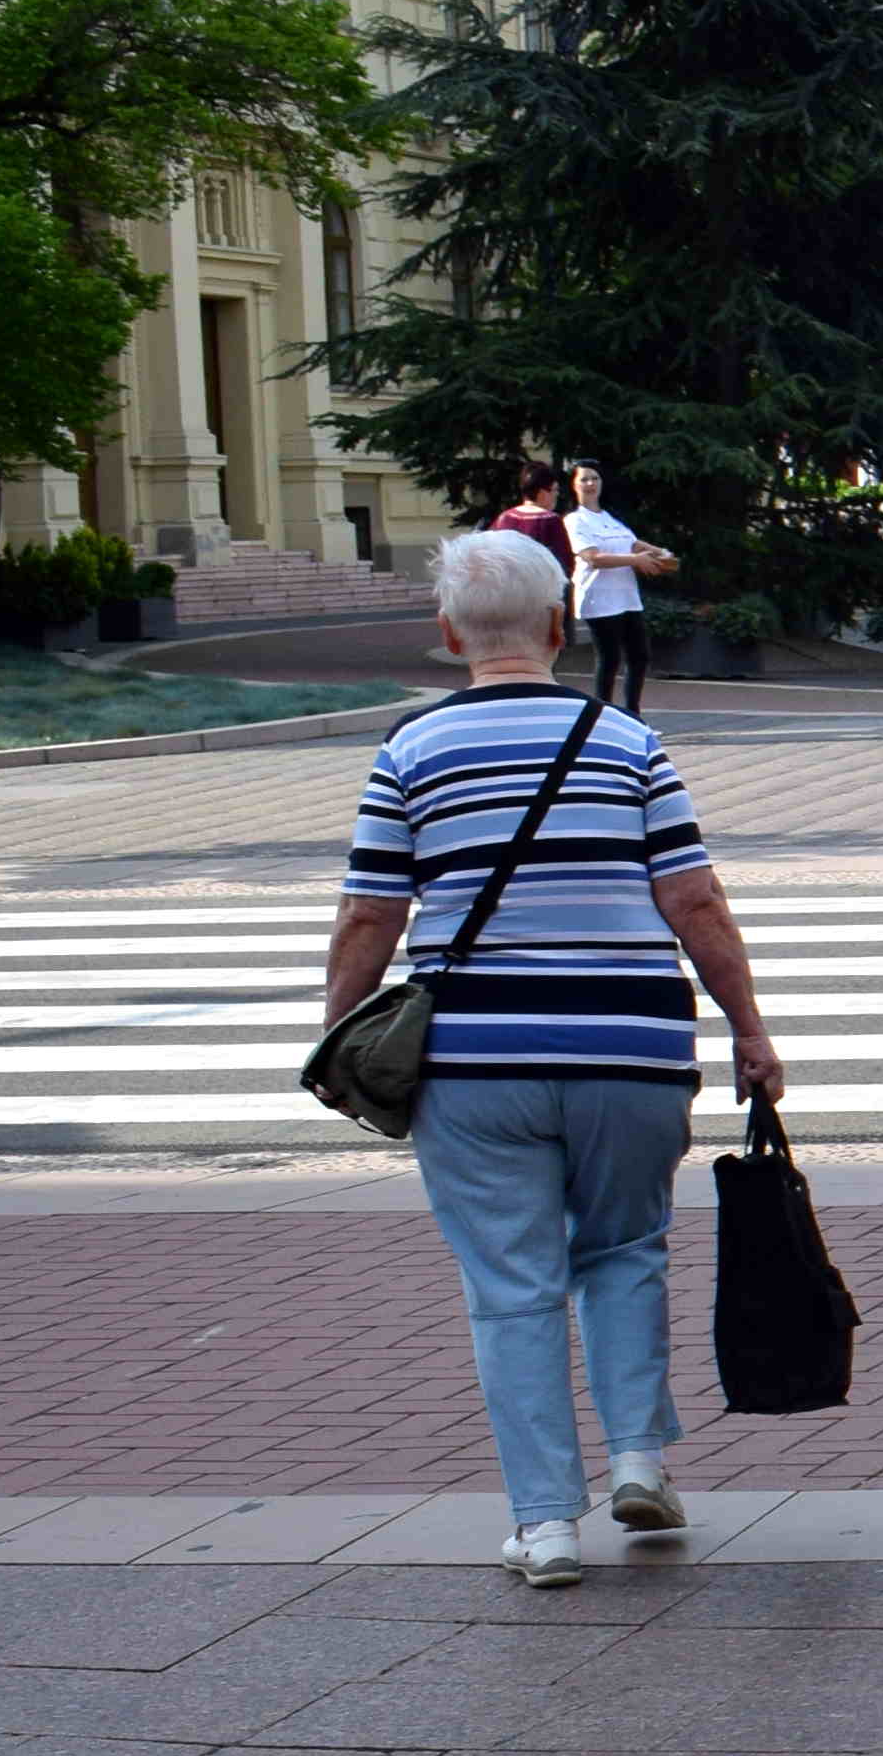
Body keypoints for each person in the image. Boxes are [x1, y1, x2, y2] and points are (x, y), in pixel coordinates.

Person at [321, 528, 785, 1591]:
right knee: (625, 1248)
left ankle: (546, 1525)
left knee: (511, 1285)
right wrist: (749, 1027)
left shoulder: (409, 751)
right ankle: (638, 1461)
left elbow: (368, 913)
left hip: (473, 1057)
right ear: (559, 624)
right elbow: (694, 898)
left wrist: (338, 1032)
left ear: (447, 633)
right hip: (631, 1045)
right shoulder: (626, 740)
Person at [561, 463, 670, 713]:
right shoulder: (575, 520)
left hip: (626, 596)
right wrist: (636, 561)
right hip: (599, 599)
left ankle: (633, 715)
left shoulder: (609, 518)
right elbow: (593, 557)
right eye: (584, 479)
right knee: (609, 660)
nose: (591, 484)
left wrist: (660, 553)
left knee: (639, 657)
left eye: (595, 478)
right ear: (574, 485)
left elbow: (631, 543)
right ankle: (602, 716)